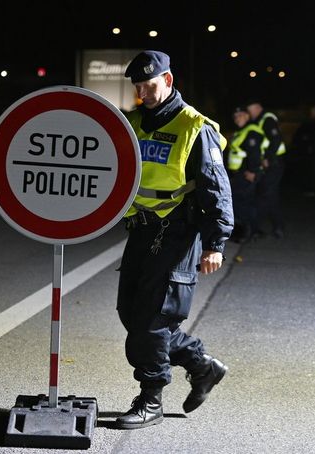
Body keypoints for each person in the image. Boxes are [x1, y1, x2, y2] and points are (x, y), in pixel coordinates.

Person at [115, 50, 234, 430]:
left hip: (178, 232)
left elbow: (217, 188)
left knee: (150, 322)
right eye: (138, 88)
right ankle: (202, 366)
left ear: (167, 80)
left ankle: (150, 399)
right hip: (142, 228)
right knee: (130, 312)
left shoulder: (194, 127)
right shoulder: (131, 124)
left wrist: (216, 243)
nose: (144, 94)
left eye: (150, 86)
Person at [246, 98, 287, 238]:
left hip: (274, 163)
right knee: (271, 195)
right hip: (271, 163)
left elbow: (276, 139)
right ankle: (277, 227)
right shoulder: (260, 120)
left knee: (265, 195)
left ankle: (255, 227)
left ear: (258, 107)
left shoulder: (267, 119)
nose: (250, 113)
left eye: (251, 110)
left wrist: (268, 159)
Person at [226, 106, 265, 242]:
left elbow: (254, 153)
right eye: (235, 117)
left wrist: (253, 171)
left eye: (240, 115)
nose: (237, 119)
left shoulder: (251, 131)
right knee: (245, 202)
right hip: (239, 173)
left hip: (247, 173)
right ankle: (253, 231)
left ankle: (247, 233)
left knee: (240, 203)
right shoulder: (241, 131)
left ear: (247, 116)